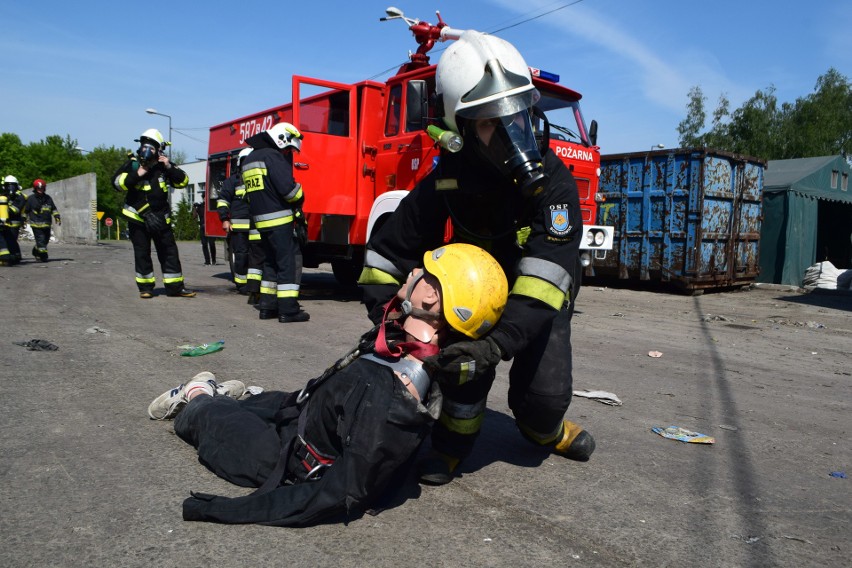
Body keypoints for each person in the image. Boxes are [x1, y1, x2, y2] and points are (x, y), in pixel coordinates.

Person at [358, 31, 595, 486]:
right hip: (476, 297)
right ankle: (452, 444)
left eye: (519, 115)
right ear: (461, 128)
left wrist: (497, 345)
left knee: (542, 400)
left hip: (537, 303)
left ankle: (546, 430)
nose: (511, 133)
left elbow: (548, 278)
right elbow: (390, 251)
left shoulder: (556, 184)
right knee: (461, 379)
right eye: (491, 122)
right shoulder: (449, 178)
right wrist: (389, 314)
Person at [147, 243, 508, 526]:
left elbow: (342, 491)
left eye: (426, 271)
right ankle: (241, 400)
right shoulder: (401, 338)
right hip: (306, 411)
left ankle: (198, 392)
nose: (414, 270)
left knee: (207, 419)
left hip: (285, 459)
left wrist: (223, 510)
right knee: (262, 403)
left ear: (431, 298)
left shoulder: (392, 391)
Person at [112, 129, 196, 299]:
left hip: (161, 219)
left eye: (152, 147)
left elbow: (183, 181)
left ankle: (175, 288)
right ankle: (146, 288)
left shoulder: (163, 167)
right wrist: (138, 174)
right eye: (145, 146)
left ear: (159, 150)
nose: (147, 151)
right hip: (138, 218)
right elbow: (117, 183)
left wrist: (169, 166)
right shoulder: (133, 165)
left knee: (169, 252)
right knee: (142, 253)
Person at [241, 122, 308, 322]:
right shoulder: (273, 156)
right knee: (286, 264)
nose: (288, 152)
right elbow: (289, 191)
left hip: (261, 222)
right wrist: (300, 193)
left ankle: (267, 307)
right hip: (280, 220)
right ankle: (288, 310)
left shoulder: (250, 158)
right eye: (288, 148)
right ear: (281, 139)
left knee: (269, 263)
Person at [216, 148, 253, 292]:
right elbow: (223, 201)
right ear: (240, 163)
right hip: (239, 228)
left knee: (257, 256)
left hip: (257, 226)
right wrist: (225, 219)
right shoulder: (232, 181)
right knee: (241, 255)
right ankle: (242, 284)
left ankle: (255, 284)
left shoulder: (258, 180)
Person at [24, 179, 61, 262]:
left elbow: (53, 209)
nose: (40, 190)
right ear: (35, 188)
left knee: (45, 240)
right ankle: (43, 255)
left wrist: (57, 216)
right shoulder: (30, 199)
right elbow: (25, 211)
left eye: (42, 188)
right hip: (36, 224)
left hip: (46, 224)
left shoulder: (48, 198)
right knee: (40, 239)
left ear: (44, 188)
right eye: (38, 188)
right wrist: (24, 219)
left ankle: (36, 251)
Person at [192, 196, 217, 265]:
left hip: (211, 227)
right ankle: (207, 261)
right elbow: (194, 216)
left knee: (212, 244)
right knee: (204, 244)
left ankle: (214, 260)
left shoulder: (212, 206)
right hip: (203, 227)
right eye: (204, 198)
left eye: (206, 197)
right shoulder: (200, 206)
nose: (205, 199)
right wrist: (194, 208)